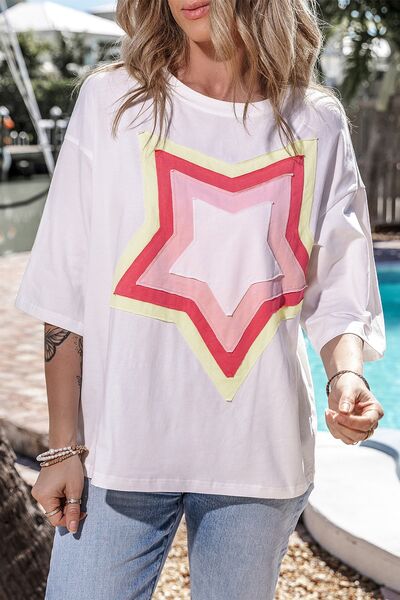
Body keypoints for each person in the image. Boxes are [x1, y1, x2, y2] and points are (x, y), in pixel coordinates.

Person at [14, 0, 386, 598]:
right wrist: (62, 445)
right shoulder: (112, 102)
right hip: (121, 450)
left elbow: (340, 280)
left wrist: (346, 375)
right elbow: (66, 284)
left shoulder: (315, 119)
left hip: (258, 454)